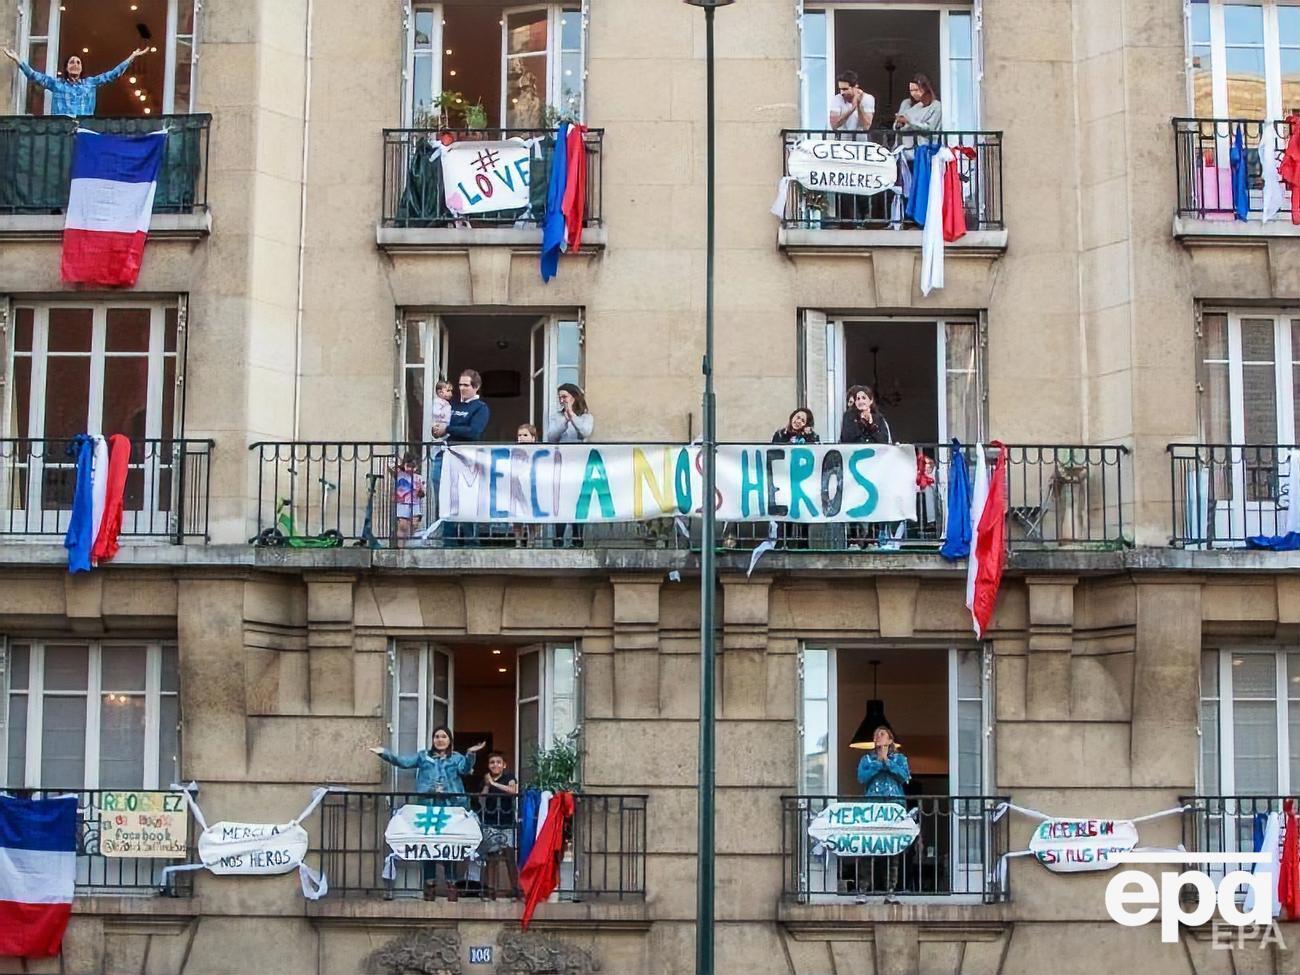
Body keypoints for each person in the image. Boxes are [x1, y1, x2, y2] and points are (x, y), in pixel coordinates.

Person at [371, 728, 486, 902]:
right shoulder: (423, 756)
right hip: (427, 807)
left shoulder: (456, 758)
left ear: (449, 740)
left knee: (450, 846)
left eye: (444, 737)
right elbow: (403, 762)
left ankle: (451, 885)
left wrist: (470, 754)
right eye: (437, 737)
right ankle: (429, 886)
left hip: (450, 808)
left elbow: (465, 769)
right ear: (433, 739)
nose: (440, 740)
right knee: (428, 847)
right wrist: (384, 753)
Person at [3, 47, 150, 117]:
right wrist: (18, 60)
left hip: (83, 131)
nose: (75, 64)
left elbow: (112, 74)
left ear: (81, 68)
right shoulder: (57, 84)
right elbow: (34, 76)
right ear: (66, 67)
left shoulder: (90, 83)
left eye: (78, 62)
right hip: (61, 132)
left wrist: (131, 58)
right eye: (71, 62)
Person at [856, 721, 911, 903]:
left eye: (882, 734)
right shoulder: (867, 759)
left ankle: (890, 889)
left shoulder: (900, 759)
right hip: (873, 808)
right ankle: (863, 889)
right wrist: (878, 763)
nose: (878, 737)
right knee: (868, 847)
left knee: (892, 849)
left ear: (890, 739)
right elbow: (862, 778)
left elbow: (904, 776)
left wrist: (887, 762)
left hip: (894, 807)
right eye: (876, 735)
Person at [445, 370, 490, 546]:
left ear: (476, 387)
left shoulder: (480, 408)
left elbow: (474, 432)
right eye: (460, 385)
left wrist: (448, 429)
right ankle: (447, 541)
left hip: (467, 459)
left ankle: (471, 541)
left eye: (466, 385)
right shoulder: (453, 405)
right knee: (445, 497)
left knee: (466, 498)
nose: (461, 388)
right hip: (447, 455)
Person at [546, 383, 594, 548]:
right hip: (561, 465)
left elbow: (585, 432)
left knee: (577, 500)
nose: (562, 400)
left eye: (565, 396)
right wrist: (564, 421)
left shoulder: (586, 417)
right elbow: (551, 437)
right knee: (561, 500)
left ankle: (577, 538)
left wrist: (572, 416)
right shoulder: (555, 416)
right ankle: (558, 539)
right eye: (560, 397)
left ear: (574, 397)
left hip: (579, 465)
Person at [478, 752, 520, 900]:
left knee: (509, 856)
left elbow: (513, 791)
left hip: (506, 821)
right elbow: (481, 797)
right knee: (491, 856)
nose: (495, 765)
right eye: (492, 762)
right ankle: (490, 890)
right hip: (490, 821)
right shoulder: (486, 780)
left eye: (498, 762)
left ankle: (515, 889)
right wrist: (487, 785)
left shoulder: (509, 778)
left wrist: (494, 784)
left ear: (504, 765)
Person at [513, 424, 542, 548]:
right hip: (518, 487)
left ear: (533, 438)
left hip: (533, 488)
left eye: (525, 435)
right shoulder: (513, 451)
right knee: (517, 515)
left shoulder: (539, 452)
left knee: (533, 516)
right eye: (519, 435)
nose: (522, 438)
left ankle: (531, 541)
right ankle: (518, 542)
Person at [389, 450, 426, 546]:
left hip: (414, 503)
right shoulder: (400, 474)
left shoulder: (418, 477)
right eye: (408, 466)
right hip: (402, 502)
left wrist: (420, 492)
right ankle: (401, 547)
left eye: (413, 467)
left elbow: (423, 492)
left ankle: (409, 541)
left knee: (415, 523)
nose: (410, 469)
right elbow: (390, 465)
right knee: (402, 525)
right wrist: (401, 465)